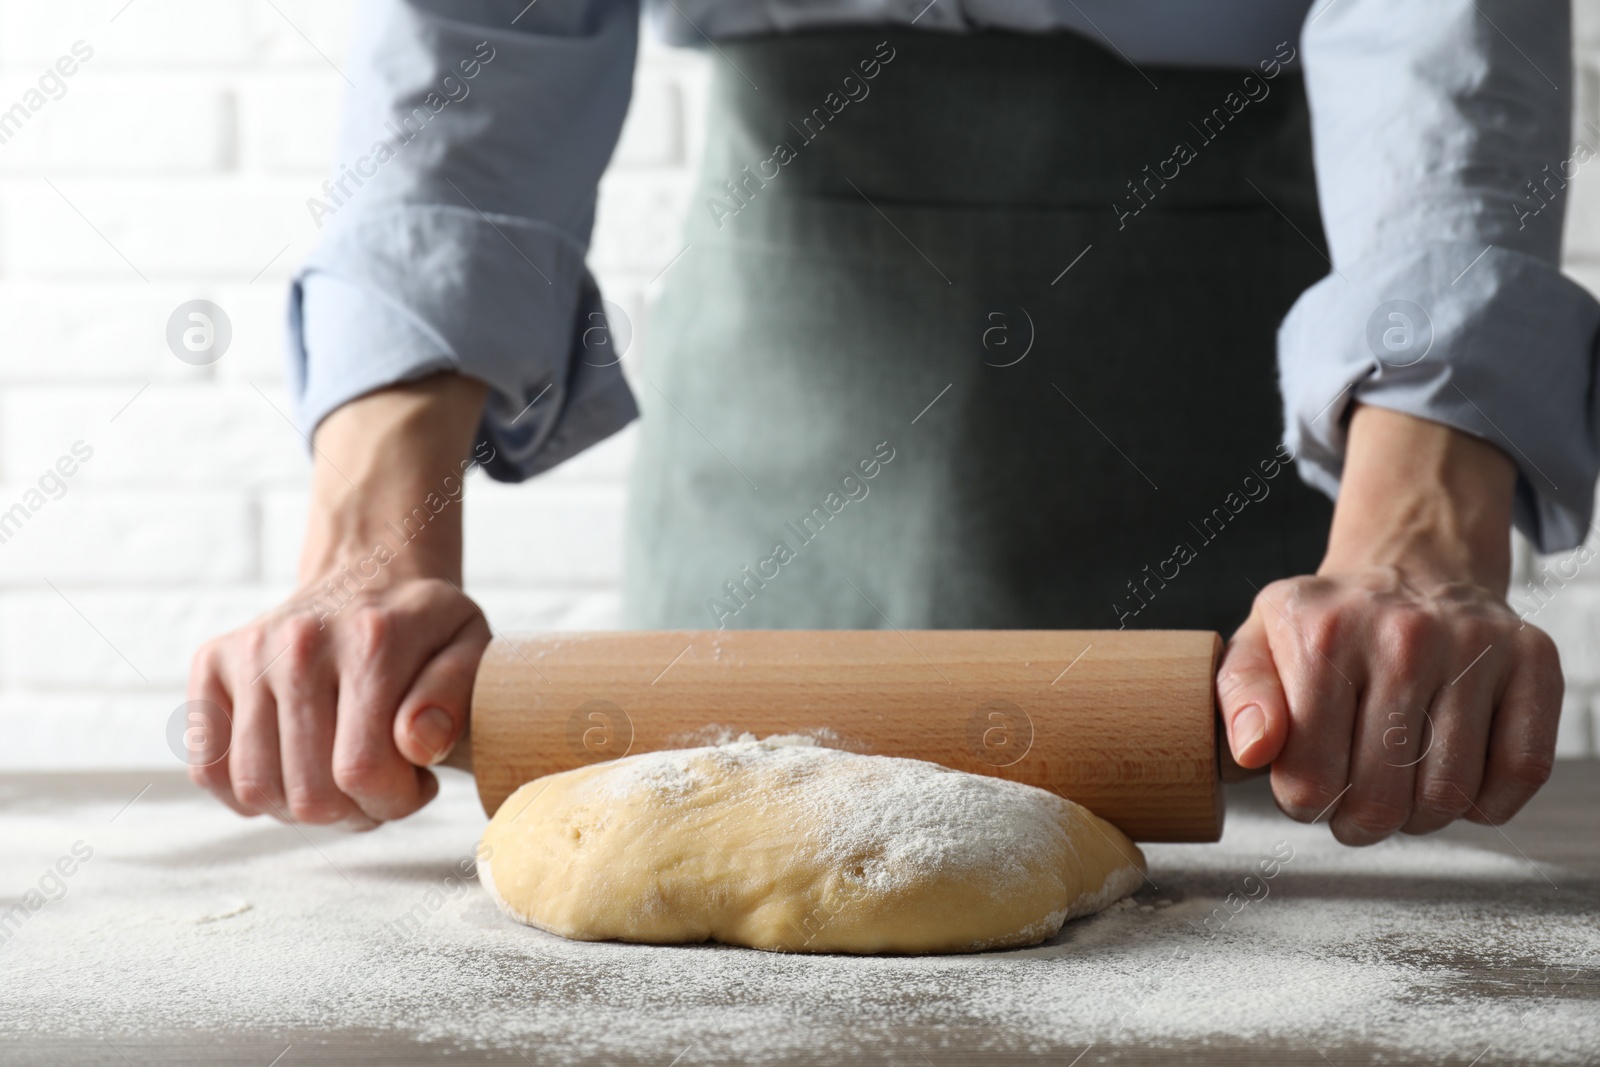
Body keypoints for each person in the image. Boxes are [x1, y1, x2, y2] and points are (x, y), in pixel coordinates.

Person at [189, 0, 1588, 846]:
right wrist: (370, 541)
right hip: (783, 358)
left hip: (1225, 372)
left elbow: (1435, 21)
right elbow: (484, 36)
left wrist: (1416, 524)